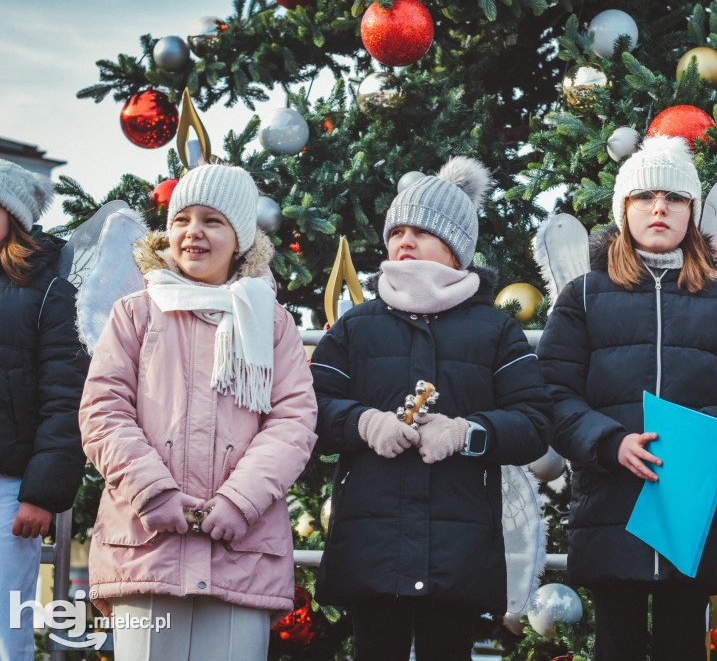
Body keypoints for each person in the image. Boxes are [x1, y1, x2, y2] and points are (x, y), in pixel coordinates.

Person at [535, 136, 717, 660]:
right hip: (611, 503)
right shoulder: (583, 296)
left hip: (691, 508)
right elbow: (552, 394)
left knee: (683, 644)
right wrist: (609, 441)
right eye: (645, 197)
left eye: (674, 197)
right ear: (624, 210)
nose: (660, 208)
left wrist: (699, 437)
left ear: (692, 211)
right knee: (616, 643)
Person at [311, 156, 551, 661]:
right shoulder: (357, 327)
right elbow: (311, 410)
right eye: (397, 229)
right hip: (372, 543)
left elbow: (533, 422)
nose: (405, 240)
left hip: (457, 549)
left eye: (422, 230)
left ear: (458, 248)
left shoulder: (494, 330)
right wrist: (363, 422)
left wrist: (468, 432)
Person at [79, 163, 317, 660]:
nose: (193, 233)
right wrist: (152, 490)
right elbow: (103, 410)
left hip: (240, 548)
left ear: (240, 238)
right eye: (182, 219)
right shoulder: (136, 314)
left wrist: (239, 501)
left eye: (212, 220)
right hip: (146, 545)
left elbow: (293, 422)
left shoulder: (272, 324)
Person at [0, 160, 89, 661]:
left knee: (5, 629)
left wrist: (39, 495)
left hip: (10, 490)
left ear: (13, 216)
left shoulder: (49, 289)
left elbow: (66, 398)